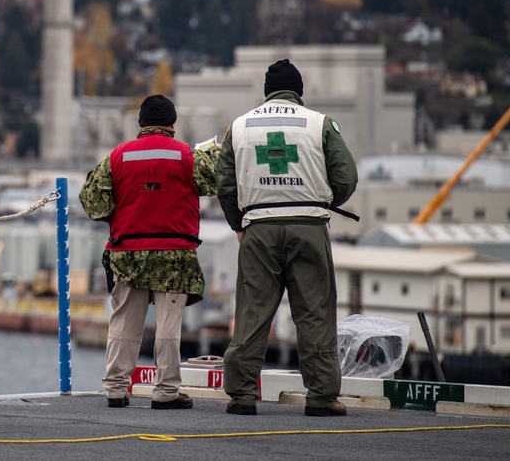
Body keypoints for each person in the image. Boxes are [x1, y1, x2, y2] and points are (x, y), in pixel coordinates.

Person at [217, 59, 358, 417]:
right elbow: (346, 178)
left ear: (266, 92)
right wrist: (321, 199)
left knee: (253, 310)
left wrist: (238, 223)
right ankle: (322, 397)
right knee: (314, 313)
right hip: (307, 226)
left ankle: (242, 395)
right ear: (299, 91)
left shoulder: (239, 126)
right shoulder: (319, 124)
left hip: (258, 228)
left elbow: (225, 184)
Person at [79, 95, 218, 410]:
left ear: (140, 123)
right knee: (169, 326)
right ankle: (166, 392)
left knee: (124, 324)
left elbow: (94, 205)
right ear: (172, 124)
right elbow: (216, 182)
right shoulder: (187, 155)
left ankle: (115, 389)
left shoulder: (117, 156)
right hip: (175, 253)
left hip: (127, 252)